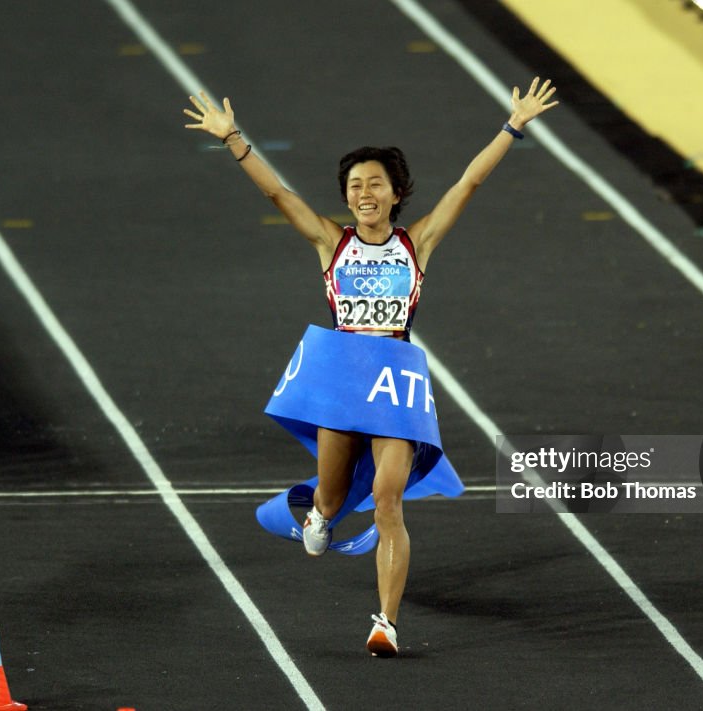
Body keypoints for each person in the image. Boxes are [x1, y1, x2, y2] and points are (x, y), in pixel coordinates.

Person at [182, 78, 558, 657]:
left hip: (395, 385)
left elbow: (470, 182)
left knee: (388, 499)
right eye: (355, 185)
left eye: (375, 184)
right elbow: (279, 195)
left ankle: (386, 621)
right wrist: (233, 138)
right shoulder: (331, 243)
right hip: (342, 382)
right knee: (330, 504)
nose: (364, 193)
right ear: (347, 196)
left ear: (396, 192)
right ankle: (319, 518)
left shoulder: (418, 243)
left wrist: (512, 127)